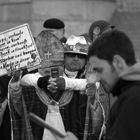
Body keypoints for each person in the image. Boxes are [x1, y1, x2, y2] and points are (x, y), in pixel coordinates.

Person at [59, 29, 140, 140]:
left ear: (118, 62)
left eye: (100, 70)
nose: (97, 77)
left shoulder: (133, 100)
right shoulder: (129, 95)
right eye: (71, 55)